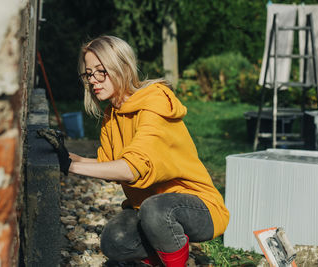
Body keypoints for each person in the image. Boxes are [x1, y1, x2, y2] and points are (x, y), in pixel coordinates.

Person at [38, 35, 229, 267]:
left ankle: (175, 258)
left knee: (156, 210)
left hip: (199, 207)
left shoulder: (154, 104)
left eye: (101, 71)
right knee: (114, 241)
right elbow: (107, 166)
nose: (93, 80)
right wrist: (64, 156)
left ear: (122, 67)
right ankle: (165, 253)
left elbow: (131, 169)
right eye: (89, 73)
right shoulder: (112, 114)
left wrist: (72, 166)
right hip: (150, 209)